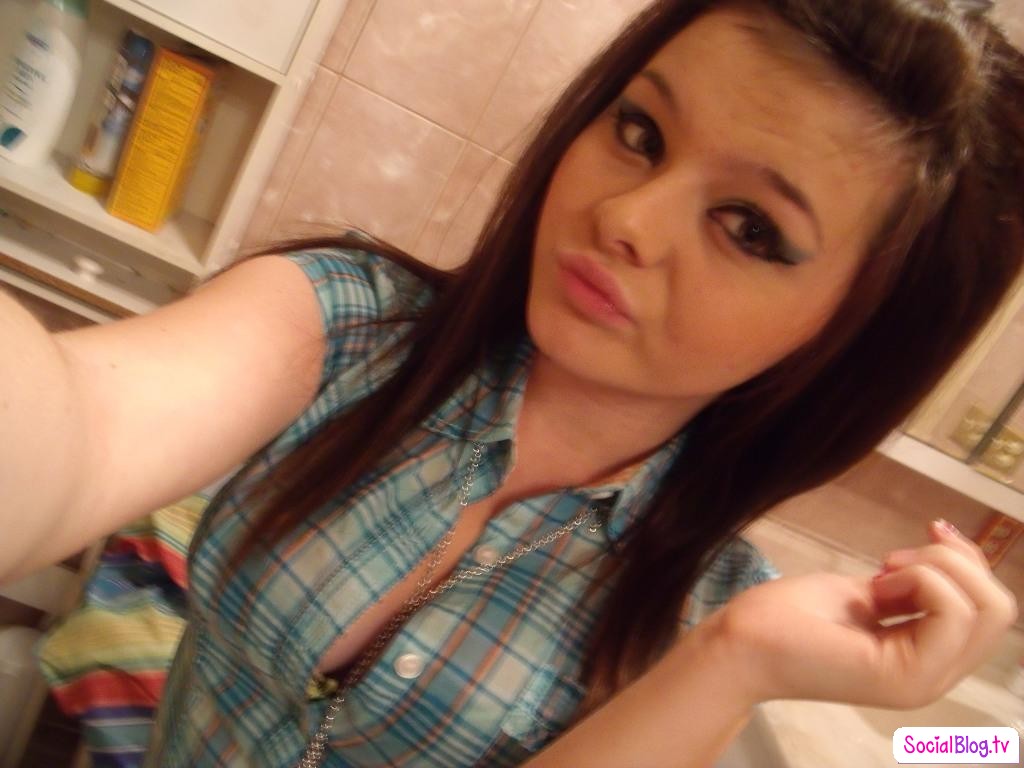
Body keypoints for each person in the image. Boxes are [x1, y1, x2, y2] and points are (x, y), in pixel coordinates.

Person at [2, 0, 1023, 765]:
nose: (627, 217)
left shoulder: (706, 614)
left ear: (848, 335)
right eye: (640, 132)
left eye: (749, 229)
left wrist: (737, 660)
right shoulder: (347, 325)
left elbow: (954, 748)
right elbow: (81, 427)